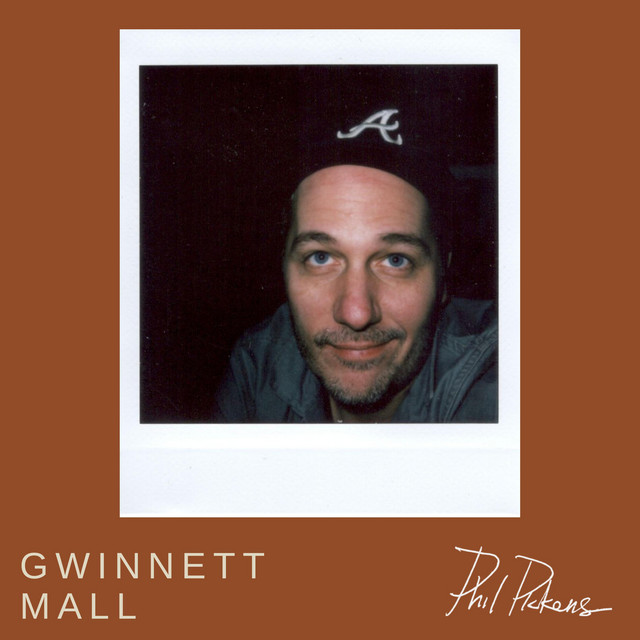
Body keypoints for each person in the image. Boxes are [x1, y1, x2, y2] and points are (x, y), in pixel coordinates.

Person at [212, 106, 497, 423]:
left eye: (396, 260)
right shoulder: (256, 367)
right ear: (284, 268)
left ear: (443, 278)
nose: (356, 314)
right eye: (320, 257)